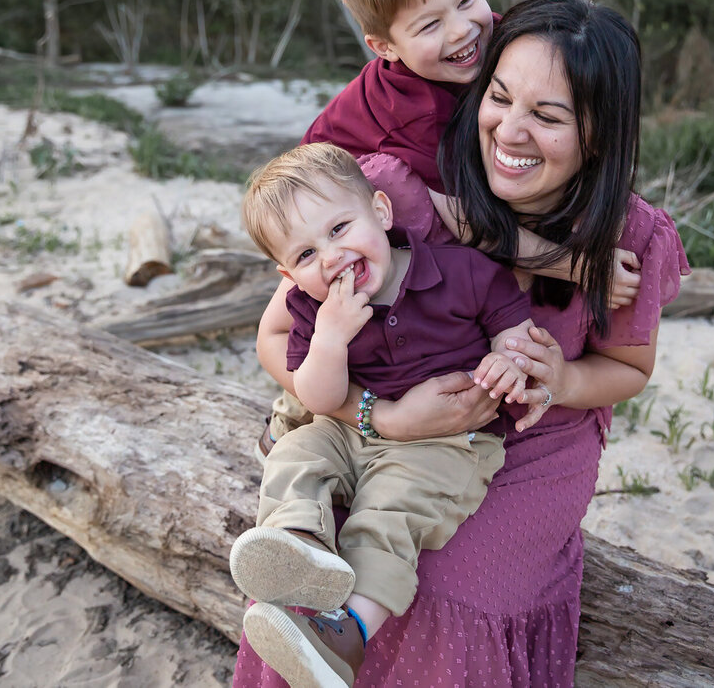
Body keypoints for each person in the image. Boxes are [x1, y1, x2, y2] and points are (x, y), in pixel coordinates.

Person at [233, 0, 691, 687]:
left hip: (540, 438)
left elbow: (629, 366)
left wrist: (563, 379)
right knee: (314, 546)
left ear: (597, 130)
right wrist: (378, 415)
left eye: (547, 115)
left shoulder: (632, 236)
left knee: (450, 585)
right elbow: (275, 337)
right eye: (499, 97)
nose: (509, 130)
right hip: (371, 414)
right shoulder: (406, 191)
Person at [261, 0, 639, 461]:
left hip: (440, 325)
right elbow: (456, 220)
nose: (463, 29)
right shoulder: (407, 115)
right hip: (360, 249)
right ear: (384, 47)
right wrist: (571, 263)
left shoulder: (494, 50)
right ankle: (295, 419)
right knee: (395, 200)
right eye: (430, 25)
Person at [232, 142, 542, 687]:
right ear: (288, 274)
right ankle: (299, 542)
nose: (329, 258)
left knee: (390, 513)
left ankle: (346, 633)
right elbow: (322, 399)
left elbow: (514, 333)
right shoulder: (312, 309)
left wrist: (506, 361)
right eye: (305, 256)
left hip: (444, 444)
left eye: (338, 229)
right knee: (297, 453)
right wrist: (329, 339)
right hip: (349, 427)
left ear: (380, 211)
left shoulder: (461, 272)